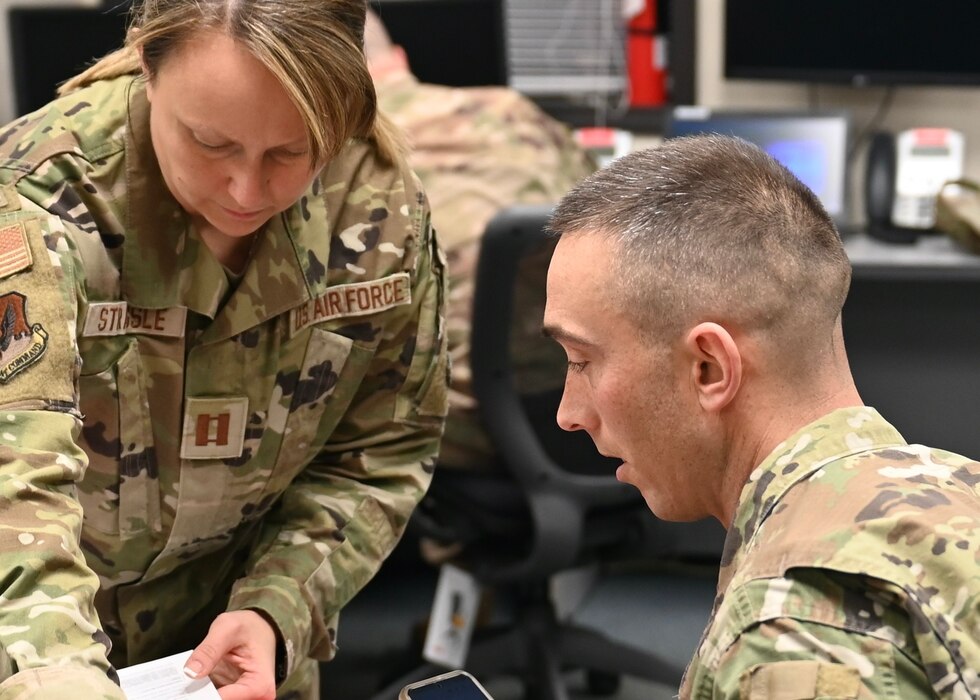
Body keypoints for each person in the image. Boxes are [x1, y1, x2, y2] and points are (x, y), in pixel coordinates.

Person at [0, 1, 448, 698]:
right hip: (30, 642)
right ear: (148, 66)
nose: (247, 189)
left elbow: (377, 454)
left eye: (291, 151)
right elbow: (15, 486)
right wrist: (58, 673)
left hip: (230, 664)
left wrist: (278, 606)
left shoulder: (376, 209)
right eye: (211, 143)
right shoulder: (37, 204)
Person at [543, 134, 979, 699]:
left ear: (708, 369)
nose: (567, 415)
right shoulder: (963, 486)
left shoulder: (793, 632)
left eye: (582, 361)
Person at [363, 8, 596, 471]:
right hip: (585, 408)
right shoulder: (515, 112)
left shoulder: (344, 144)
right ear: (401, 59)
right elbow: (609, 220)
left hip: (451, 430)